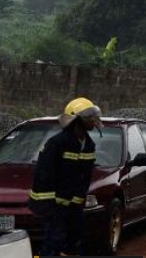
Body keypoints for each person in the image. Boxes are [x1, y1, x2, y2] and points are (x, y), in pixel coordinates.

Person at [29, 97, 102, 256]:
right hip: (53, 205)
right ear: (76, 120)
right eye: (89, 117)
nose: (93, 121)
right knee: (54, 241)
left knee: (74, 242)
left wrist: (78, 200)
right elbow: (44, 175)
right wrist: (50, 205)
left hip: (73, 206)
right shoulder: (57, 143)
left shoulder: (88, 145)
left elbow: (84, 176)